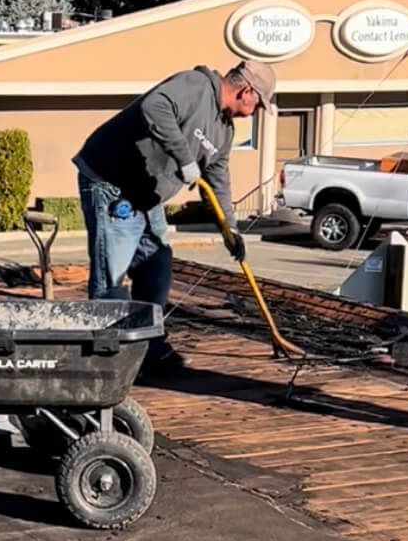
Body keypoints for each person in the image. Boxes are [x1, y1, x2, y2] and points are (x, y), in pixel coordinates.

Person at [74, 59, 276, 372]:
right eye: (259, 104)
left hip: (147, 195)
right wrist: (183, 157)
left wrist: (230, 230)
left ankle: (147, 346)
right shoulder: (195, 86)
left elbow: (218, 178)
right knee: (111, 279)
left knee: (157, 266)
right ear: (246, 91)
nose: (256, 111)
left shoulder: (223, 131)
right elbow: (155, 106)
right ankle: (106, 361)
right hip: (112, 183)